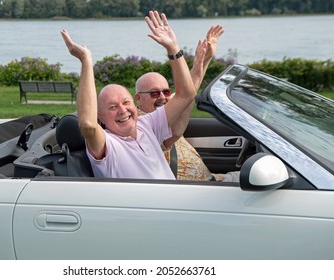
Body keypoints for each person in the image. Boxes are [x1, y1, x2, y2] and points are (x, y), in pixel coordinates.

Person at [60, 11, 196, 179]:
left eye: (125, 102)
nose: (122, 110)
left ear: (134, 103)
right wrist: (86, 61)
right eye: (112, 107)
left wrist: (173, 48)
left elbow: (186, 94)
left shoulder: (147, 125)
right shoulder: (107, 145)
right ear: (100, 117)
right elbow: (87, 124)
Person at [135, 25, 239, 182]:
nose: (162, 97)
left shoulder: (168, 109)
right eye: (154, 93)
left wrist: (205, 58)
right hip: (196, 192)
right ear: (138, 99)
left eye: (166, 92)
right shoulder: (140, 126)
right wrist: (176, 50)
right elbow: (186, 95)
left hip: (214, 180)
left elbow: (188, 89)